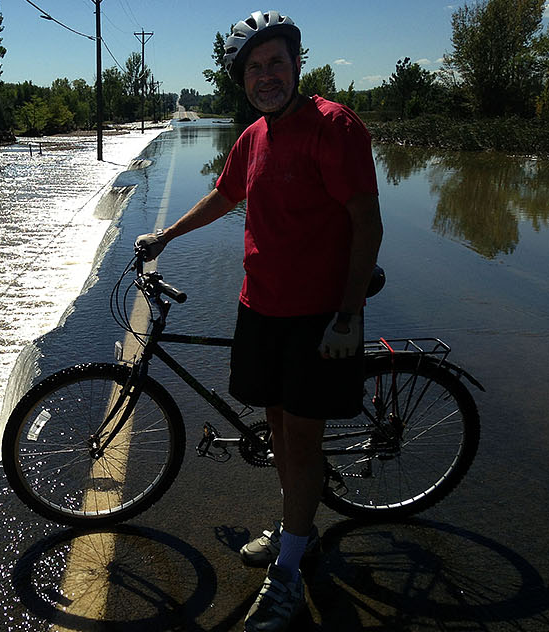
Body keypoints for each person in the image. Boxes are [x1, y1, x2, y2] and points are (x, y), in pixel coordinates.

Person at [134, 10, 383, 631]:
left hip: (318, 317)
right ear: (243, 80)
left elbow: (367, 223)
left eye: (276, 62)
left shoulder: (334, 128)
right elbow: (226, 195)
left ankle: (291, 571)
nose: (266, 76)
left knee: (300, 440)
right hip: (260, 308)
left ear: (297, 65)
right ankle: (292, 529)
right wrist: (166, 235)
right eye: (254, 67)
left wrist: (348, 317)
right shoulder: (254, 136)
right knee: (276, 428)